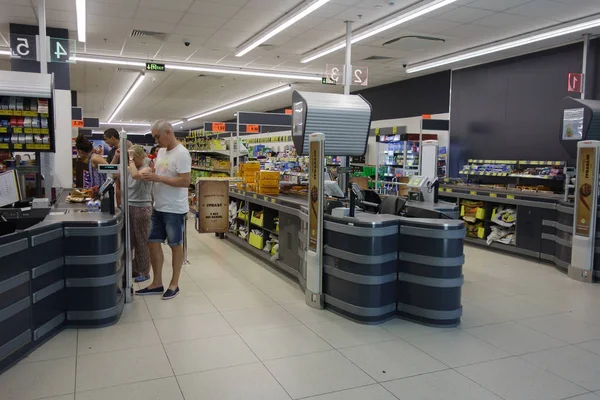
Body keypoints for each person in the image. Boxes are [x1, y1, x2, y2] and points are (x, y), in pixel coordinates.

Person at [135, 119, 191, 300]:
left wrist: (158, 179)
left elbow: (185, 181)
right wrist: (149, 173)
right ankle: (157, 283)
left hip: (174, 209)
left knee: (175, 246)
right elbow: (159, 173)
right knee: (152, 243)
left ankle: (174, 284)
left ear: (168, 132)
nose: (155, 140)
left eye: (157, 136)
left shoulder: (182, 154)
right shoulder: (160, 152)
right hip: (158, 206)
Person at [124, 145, 154, 282]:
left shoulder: (147, 168)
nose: (131, 161)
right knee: (130, 240)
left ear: (141, 157)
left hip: (142, 208)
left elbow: (136, 176)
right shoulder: (131, 166)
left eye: (133, 158)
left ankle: (144, 271)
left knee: (142, 241)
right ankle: (134, 268)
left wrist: (130, 160)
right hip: (129, 205)